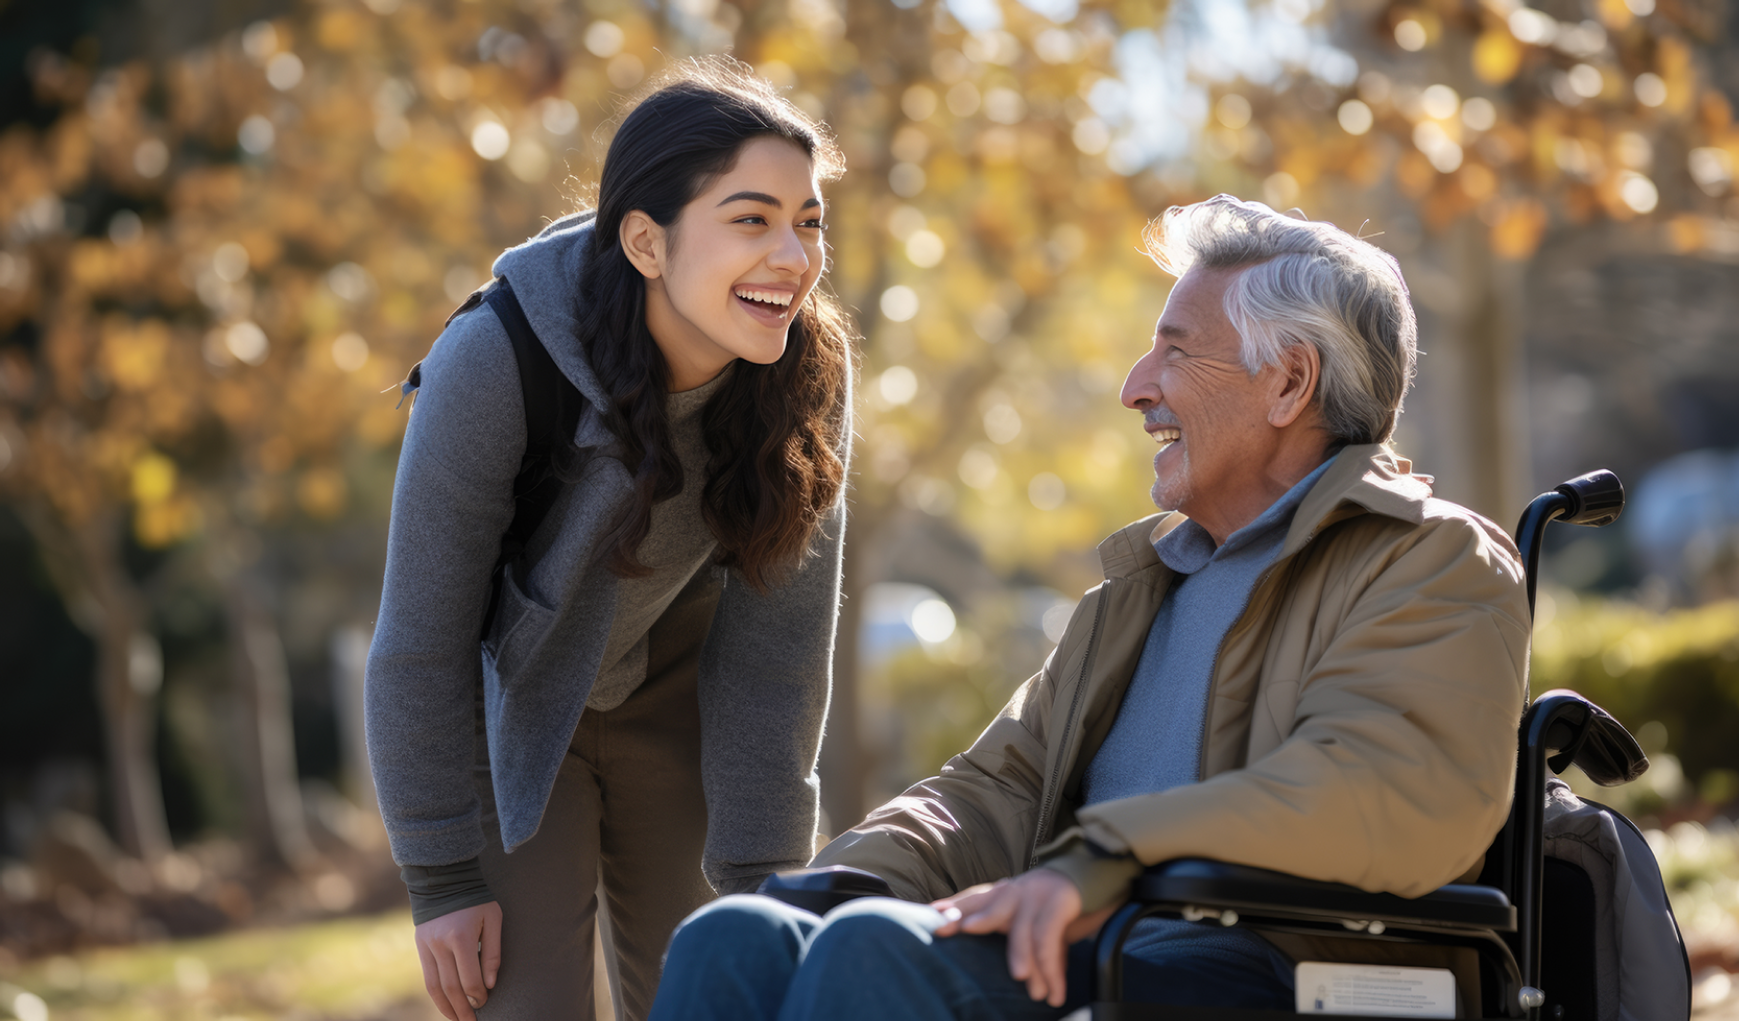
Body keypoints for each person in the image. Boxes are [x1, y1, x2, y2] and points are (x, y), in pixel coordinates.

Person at [649, 196, 1530, 1020]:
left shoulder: (1431, 558)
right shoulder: (1142, 585)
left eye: (1176, 352)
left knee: (877, 954)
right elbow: (996, 786)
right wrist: (837, 880)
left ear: (1289, 382)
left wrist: (1107, 856)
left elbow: (1378, 790)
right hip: (1106, 943)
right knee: (742, 936)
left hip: (1279, 966)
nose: (1135, 387)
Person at [365, 62, 852, 1021]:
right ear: (645, 239)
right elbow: (419, 635)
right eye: (751, 219)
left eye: (808, 221)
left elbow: (778, 656)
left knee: (724, 993)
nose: (792, 257)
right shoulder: (497, 358)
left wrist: (764, 876)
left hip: (678, 689)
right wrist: (442, 879)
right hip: (508, 698)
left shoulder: (806, 377)